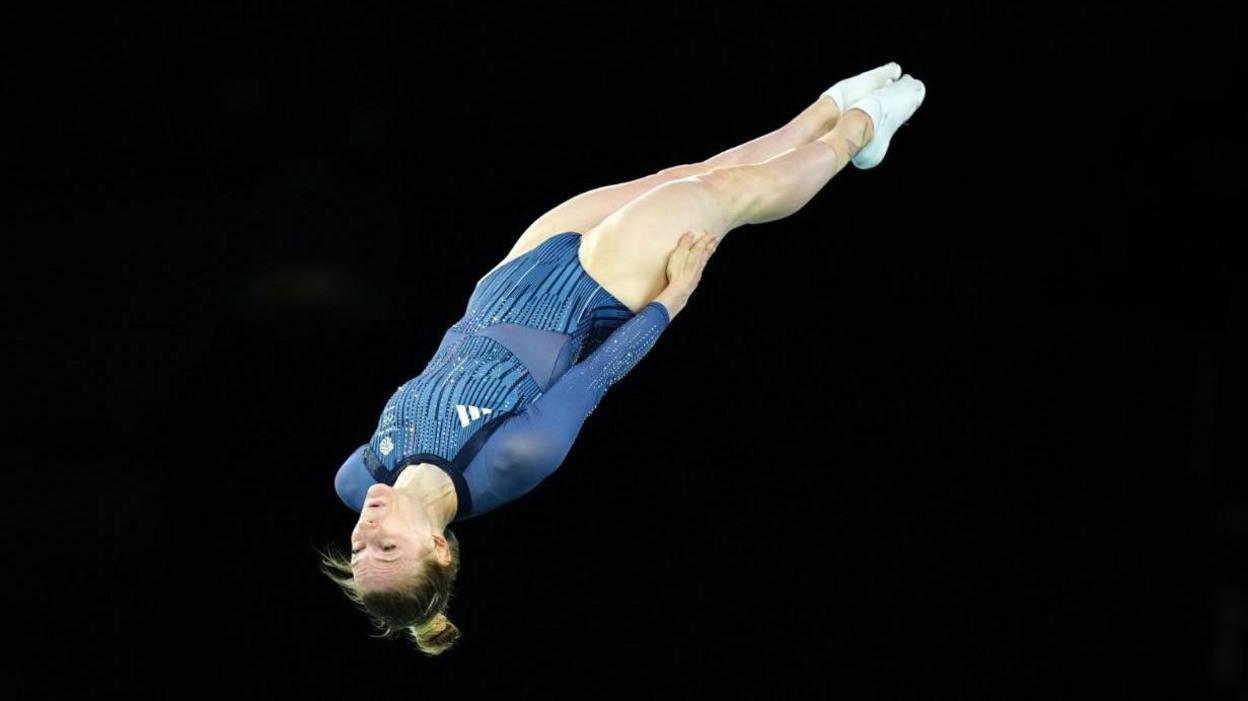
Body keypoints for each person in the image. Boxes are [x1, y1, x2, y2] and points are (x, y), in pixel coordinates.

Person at [319, 62, 927, 656]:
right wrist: (672, 300)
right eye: (389, 551)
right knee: (725, 195)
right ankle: (860, 132)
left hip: (506, 283)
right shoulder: (510, 462)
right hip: (596, 289)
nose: (366, 536)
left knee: (680, 175)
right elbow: (596, 375)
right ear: (439, 546)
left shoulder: (359, 477)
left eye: (359, 552)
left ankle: (826, 108)